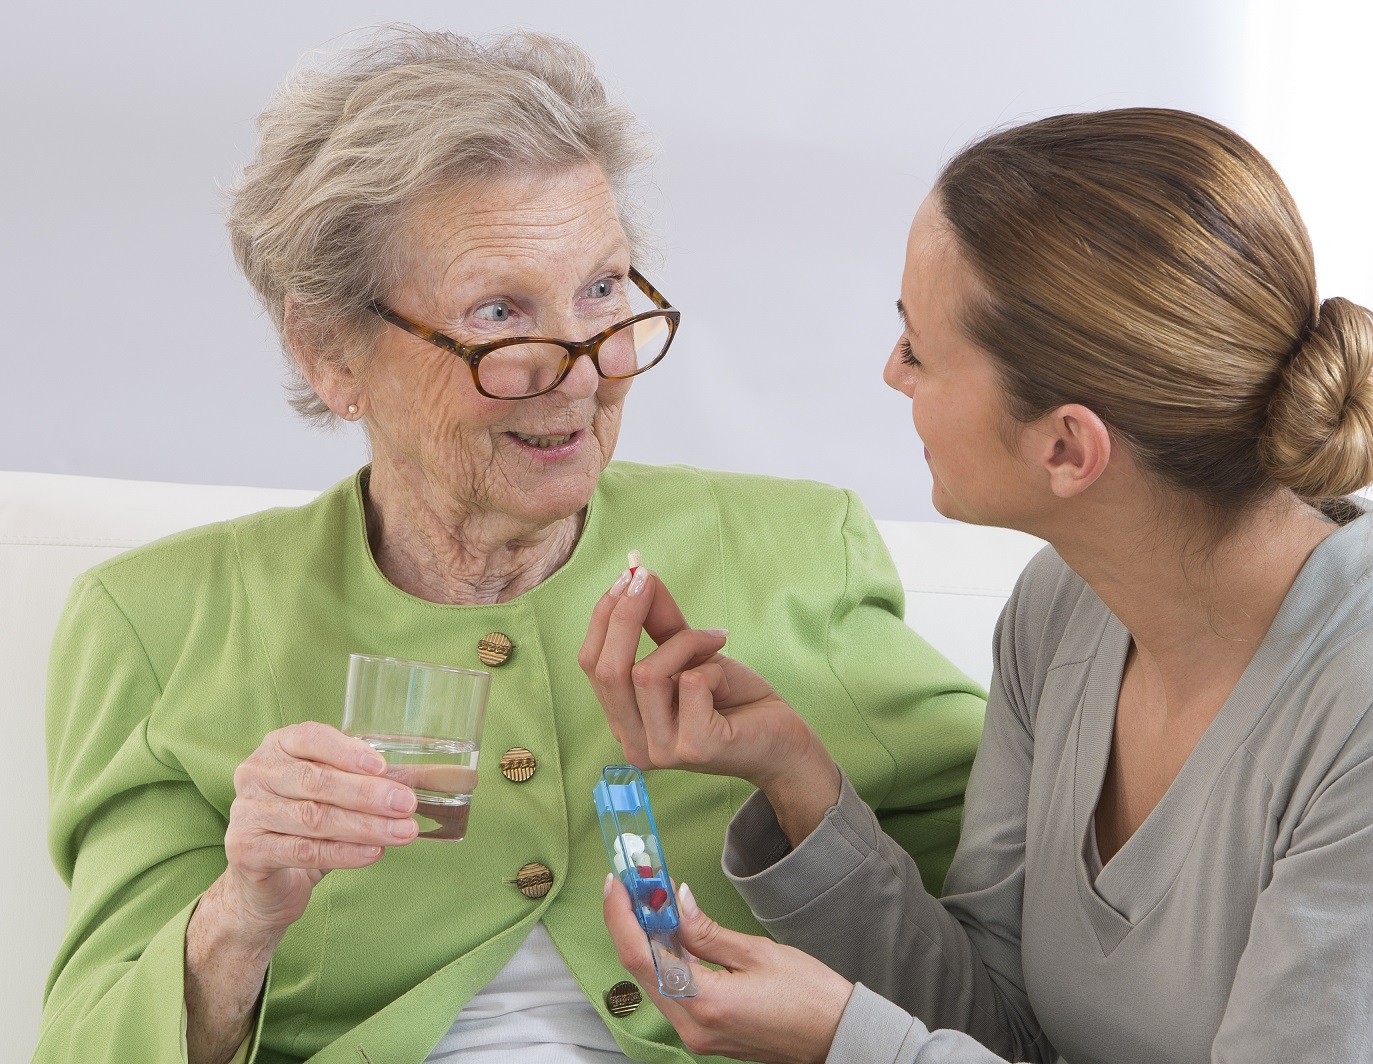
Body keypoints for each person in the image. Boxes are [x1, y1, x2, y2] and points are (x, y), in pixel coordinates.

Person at [35, 28, 984, 1064]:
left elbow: (998, 964)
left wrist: (808, 794)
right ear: (327, 350)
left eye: (605, 289)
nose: (584, 368)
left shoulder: (797, 553)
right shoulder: (159, 622)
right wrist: (238, 914)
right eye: (500, 310)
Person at [588, 109, 1373, 1063]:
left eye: (921, 345)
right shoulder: (1065, 607)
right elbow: (999, 1021)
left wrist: (847, 1040)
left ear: (1068, 446)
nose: (894, 371)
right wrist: (795, 774)